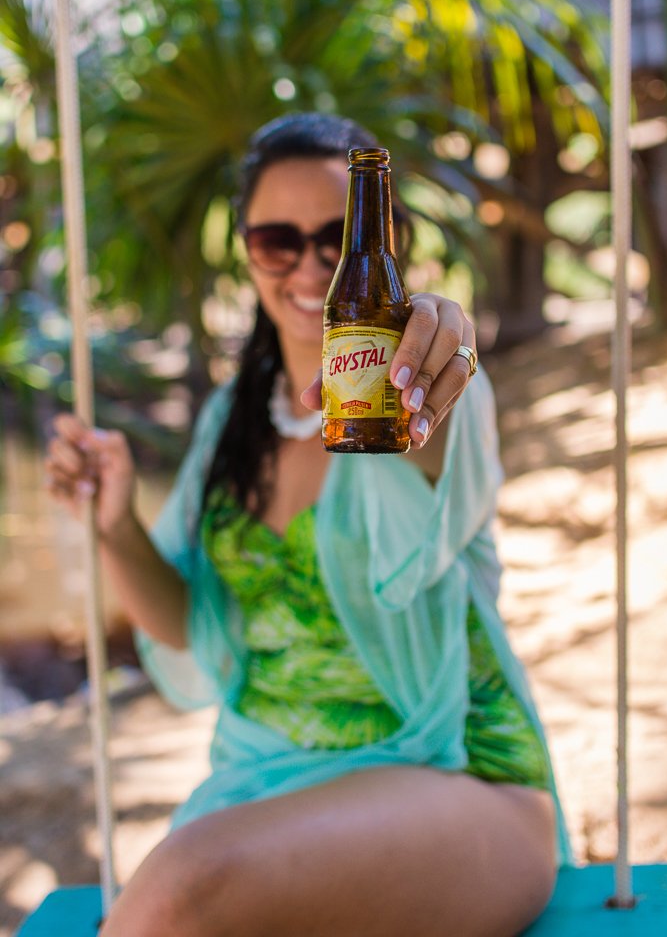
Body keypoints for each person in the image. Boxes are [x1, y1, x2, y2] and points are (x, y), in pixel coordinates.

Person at [46, 112, 568, 937]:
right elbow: (186, 626)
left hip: (454, 782)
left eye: (339, 234)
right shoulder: (230, 422)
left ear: (378, 232)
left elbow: (438, 412)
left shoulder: (418, 392)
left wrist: (441, 338)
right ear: (248, 251)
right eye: (275, 240)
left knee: (184, 883)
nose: (311, 264)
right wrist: (113, 525)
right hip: (266, 788)